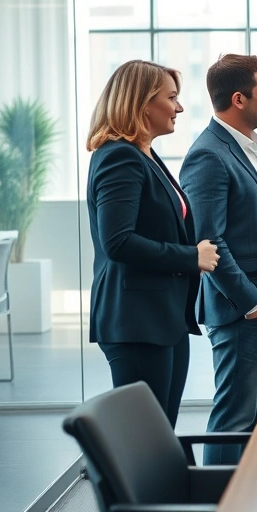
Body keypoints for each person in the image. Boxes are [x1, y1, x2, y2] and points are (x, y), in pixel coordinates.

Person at [179, 54, 257, 465]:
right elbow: (208, 242)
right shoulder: (208, 155)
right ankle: (218, 499)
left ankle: (253, 497)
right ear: (238, 99)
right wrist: (249, 301)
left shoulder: (250, 149)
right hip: (243, 310)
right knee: (234, 419)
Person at [86, 60, 218, 428]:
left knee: (159, 429)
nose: (179, 107)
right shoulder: (119, 157)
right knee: (144, 434)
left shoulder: (145, 155)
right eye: (172, 98)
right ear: (142, 103)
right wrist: (191, 257)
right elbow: (119, 242)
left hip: (164, 317)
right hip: (136, 320)